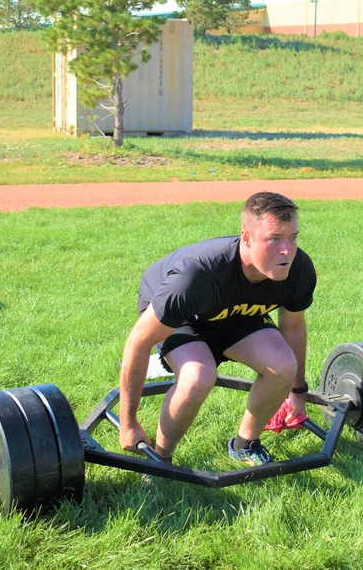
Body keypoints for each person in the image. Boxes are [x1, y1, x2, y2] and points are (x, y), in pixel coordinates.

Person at [117, 191, 316, 466]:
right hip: (187, 315)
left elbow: (293, 329)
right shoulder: (195, 276)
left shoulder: (298, 269)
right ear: (246, 238)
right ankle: (159, 462)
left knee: (283, 364)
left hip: (234, 312)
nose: (287, 250)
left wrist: (297, 394)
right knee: (197, 376)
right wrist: (128, 423)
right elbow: (138, 341)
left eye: (293, 237)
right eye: (274, 239)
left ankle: (245, 444)